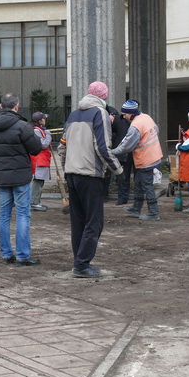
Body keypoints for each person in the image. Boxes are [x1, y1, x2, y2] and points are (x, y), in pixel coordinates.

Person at [58, 81, 124, 278]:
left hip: (72, 174)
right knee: (94, 222)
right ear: (104, 97)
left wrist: (67, 167)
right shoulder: (100, 113)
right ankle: (82, 264)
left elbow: (62, 147)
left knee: (77, 220)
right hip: (90, 174)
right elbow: (102, 147)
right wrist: (117, 170)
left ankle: (78, 260)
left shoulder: (73, 114)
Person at [0, 94, 43, 266]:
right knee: (23, 214)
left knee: (4, 215)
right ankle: (23, 255)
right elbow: (36, 149)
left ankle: (6, 254)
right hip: (21, 176)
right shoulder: (22, 126)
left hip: (1, 175)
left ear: (1, 106)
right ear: (16, 106)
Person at [111, 99, 164, 221]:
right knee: (139, 183)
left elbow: (126, 146)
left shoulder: (135, 126)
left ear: (132, 113)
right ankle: (136, 208)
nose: (123, 117)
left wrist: (110, 152)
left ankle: (153, 212)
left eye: (125, 114)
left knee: (147, 186)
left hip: (146, 159)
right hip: (152, 155)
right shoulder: (146, 117)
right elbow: (156, 129)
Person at [105, 105, 131, 205]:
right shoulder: (119, 121)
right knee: (119, 177)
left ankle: (122, 198)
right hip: (119, 153)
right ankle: (121, 198)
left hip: (121, 154)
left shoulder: (121, 121)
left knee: (122, 177)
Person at [29, 112, 52, 212]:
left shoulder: (40, 130)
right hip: (39, 160)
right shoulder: (37, 131)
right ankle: (34, 202)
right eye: (43, 118)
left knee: (39, 181)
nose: (45, 120)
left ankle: (35, 201)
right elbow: (43, 144)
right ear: (40, 121)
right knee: (37, 182)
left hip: (42, 159)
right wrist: (48, 135)